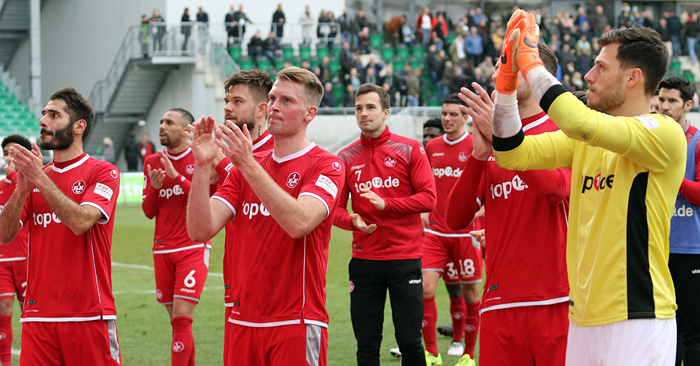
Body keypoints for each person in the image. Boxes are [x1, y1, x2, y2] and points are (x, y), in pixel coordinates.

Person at [491, 12, 684, 365]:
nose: (587, 76)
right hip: (581, 318)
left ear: (632, 77)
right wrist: (505, 87)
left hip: (638, 318)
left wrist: (530, 61)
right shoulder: (586, 141)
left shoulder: (664, 132)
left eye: (600, 67)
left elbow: (579, 122)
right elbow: (511, 154)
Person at [186, 67, 344, 366]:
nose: (274, 107)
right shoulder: (246, 167)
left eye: (287, 101)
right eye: (272, 99)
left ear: (309, 113)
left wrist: (247, 164)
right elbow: (200, 230)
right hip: (241, 319)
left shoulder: (327, 165)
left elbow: (299, 223)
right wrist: (203, 166)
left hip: (295, 320)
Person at [448, 40, 571, 366]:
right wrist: (477, 157)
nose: (499, 77)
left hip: (556, 299)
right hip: (499, 300)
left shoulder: (566, 129)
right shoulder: (491, 138)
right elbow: (455, 218)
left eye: (509, 68)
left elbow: (556, 189)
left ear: (535, 74)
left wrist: (505, 140)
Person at [0, 87, 121, 364]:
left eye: (54, 115)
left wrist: (39, 180)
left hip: (89, 314)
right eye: (43, 114)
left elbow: (81, 222)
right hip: (37, 316)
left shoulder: (103, 171)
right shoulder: (34, 179)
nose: (43, 121)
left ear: (78, 126)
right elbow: (4, 236)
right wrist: (21, 190)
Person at [334, 83, 435, 366]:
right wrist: (352, 221)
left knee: (409, 341)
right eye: (358, 108)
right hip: (365, 262)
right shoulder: (345, 157)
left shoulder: (410, 149)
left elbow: (429, 199)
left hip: (405, 259)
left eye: (370, 107)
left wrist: (386, 204)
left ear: (386, 112)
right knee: (367, 344)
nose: (363, 113)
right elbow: (335, 211)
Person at [141, 108, 211, 366]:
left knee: (182, 317)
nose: (162, 126)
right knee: (177, 323)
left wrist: (177, 177)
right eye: (160, 121)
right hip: (162, 249)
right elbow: (149, 212)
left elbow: (206, 200)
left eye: (169, 122)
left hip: (193, 246)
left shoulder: (200, 157)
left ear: (185, 130)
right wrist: (156, 189)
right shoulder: (151, 162)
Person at [420, 94, 483, 366]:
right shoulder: (431, 146)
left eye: (453, 115)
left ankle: (468, 353)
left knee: (470, 294)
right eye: (444, 114)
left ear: (465, 117)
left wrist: (482, 209)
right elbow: (423, 183)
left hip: (466, 234)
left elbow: (488, 180)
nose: (447, 119)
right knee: (424, 288)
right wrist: (423, 207)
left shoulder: (475, 146)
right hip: (435, 233)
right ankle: (431, 353)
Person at [658, 76, 700, 365]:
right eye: (661, 99)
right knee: (662, 330)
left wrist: (673, 175)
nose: (664, 106)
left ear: (688, 105)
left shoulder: (697, 141)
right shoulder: (649, 137)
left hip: (690, 250)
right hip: (655, 249)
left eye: (672, 101)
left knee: (691, 332)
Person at [0, 134, 31, 365]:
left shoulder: (34, 184)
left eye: (14, 152)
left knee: (31, 314)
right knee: (3, 309)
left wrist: (13, 174)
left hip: (29, 260)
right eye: (6, 152)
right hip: (3, 261)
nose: (9, 157)